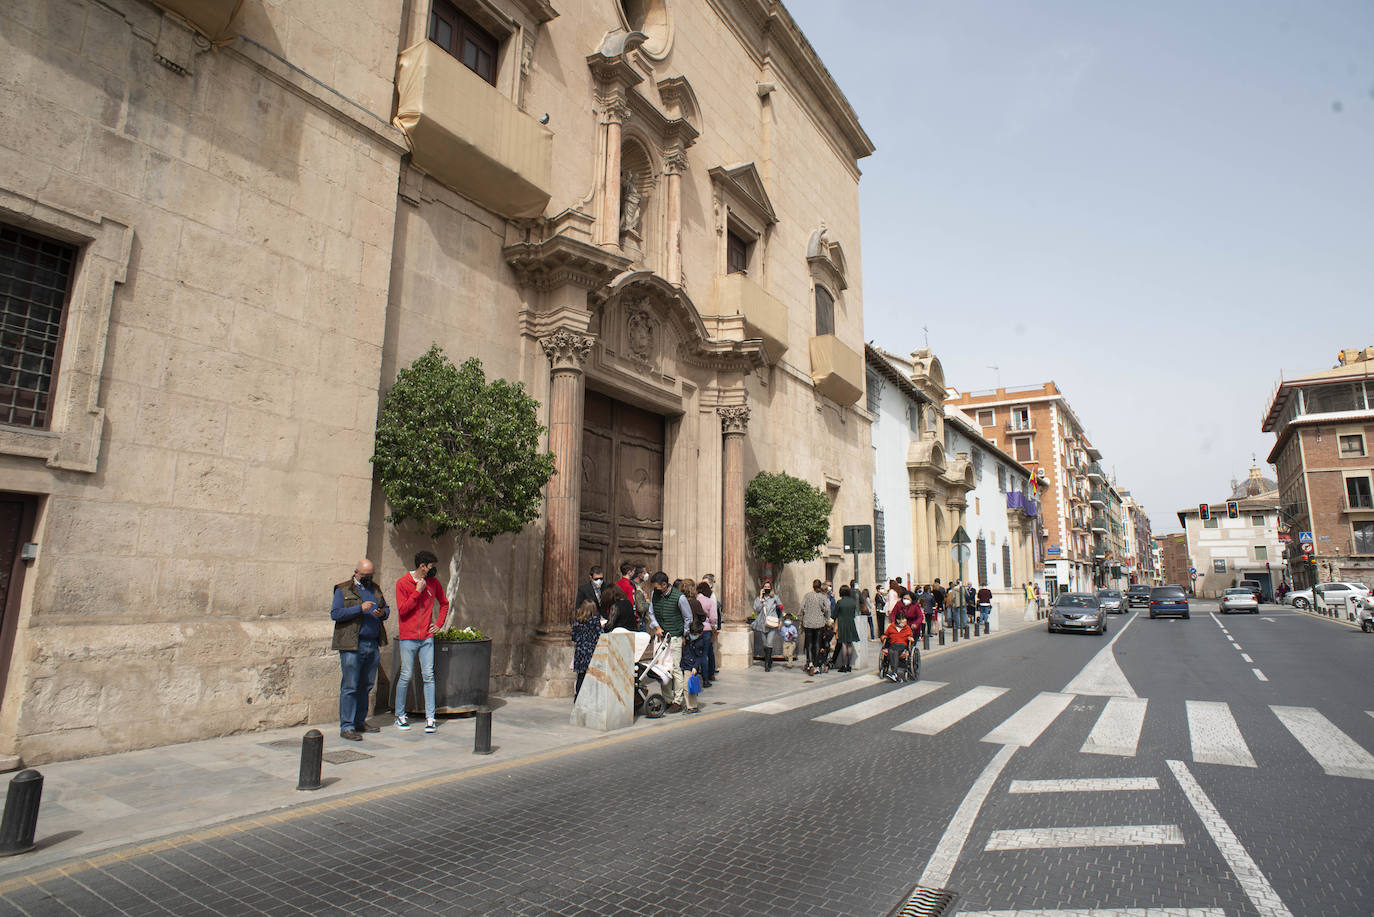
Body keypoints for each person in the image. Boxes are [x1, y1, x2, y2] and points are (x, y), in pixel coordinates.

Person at [331, 558, 390, 741]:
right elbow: (336, 614)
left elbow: (386, 608)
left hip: (371, 643)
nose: (368, 578)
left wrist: (382, 613)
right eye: (365, 575)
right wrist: (359, 609)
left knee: (366, 685)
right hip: (352, 644)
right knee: (350, 686)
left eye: (370, 575)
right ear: (356, 572)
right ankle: (347, 726)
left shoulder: (375, 588)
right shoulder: (342, 589)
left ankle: (360, 721)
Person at [394, 550, 449, 734]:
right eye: (431, 566)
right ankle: (400, 715)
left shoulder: (434, 584)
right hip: (408, 638)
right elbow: (402, 610)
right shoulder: (403, 583)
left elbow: (444, 603)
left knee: (429, 676)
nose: (434, 570)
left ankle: (431, 718)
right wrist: (417, 592)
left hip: (426, 638)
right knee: (406, 675)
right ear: (422, 566)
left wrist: (439, 624)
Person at [647, 572, 687, 713]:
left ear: (664, 585)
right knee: (662, 668)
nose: (655, 590)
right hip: (661, 637)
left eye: (657, 587)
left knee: (675, 668)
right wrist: (657, 627)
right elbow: (651, 612)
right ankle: (668, 699)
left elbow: (687, 618)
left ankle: (677, 700)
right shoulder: (654, 595)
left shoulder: (679, 597)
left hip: (675, 636)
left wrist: (684, 636)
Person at [570, 599, 601, 701]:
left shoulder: (577, 621)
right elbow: (600, 635)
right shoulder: (595, 621)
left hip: (580, 651)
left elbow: (573, 636)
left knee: (581, 676)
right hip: (591, 651)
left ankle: (578, 697)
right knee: (592, 676)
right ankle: (590, 698)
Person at [679, 613, 709, 714]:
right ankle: (691, 705)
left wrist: (696, 667)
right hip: (686, 664)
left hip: (691, 666)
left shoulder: (700, 642)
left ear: (700, 633)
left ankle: (691, 706)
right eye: (692, 633)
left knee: (688, 687)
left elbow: (699, 656)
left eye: (695, 634)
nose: (693, 635)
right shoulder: (688, 638)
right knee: (689, 687)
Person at [752, 580, 784, 671]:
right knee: (765, 644)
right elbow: (756, 608)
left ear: (771, 588)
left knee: (769, 642)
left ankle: (767, 664)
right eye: (765, 587)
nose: (767, 589)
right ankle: (769, 659)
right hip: (762, 623)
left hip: (772, 623)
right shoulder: (760, 598)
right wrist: (760, 597)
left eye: (768, 587)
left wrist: (780, 621)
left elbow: (780, 609)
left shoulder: (775, 598)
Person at [800, 579, 831, 673]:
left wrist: (802, 617)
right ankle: (817, 664)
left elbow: (801, 608)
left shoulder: (807, 595)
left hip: (808, 623)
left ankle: (810, 663)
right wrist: (826, 619)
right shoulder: (823, 596)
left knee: (809, 644)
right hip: (819, 623)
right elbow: (827, 609)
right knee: (817, 643)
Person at [832, 584, 861, 672]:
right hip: (851, 623)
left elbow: (835, 615)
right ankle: (849, 665)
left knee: (844, 644)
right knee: (849, 644)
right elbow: (854, 613)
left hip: (842, 624)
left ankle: (843, 665)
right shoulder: (853, 602)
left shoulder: (840, 602)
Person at [696, 580, 718, 687]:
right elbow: (713, 618)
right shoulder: (709, 601)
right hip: (707, 629)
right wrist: (713, 625)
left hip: (696, 629)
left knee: (699, 653)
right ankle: (707, 677)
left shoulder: (695, 600)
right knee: (707, 653)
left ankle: (700, 675)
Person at [880, 613, 913, 682]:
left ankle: (894, 673)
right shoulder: (891, 627)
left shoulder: (907, 628)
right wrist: (883, 637)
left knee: (895, 651)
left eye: (905, 619)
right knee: (891, 651)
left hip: (902, 645)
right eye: (903, 619)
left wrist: (910, 638)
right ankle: (894, 674)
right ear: (898, 620)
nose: (905, 621)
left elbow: (911, 637)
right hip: (893, 644)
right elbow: (886, 635)